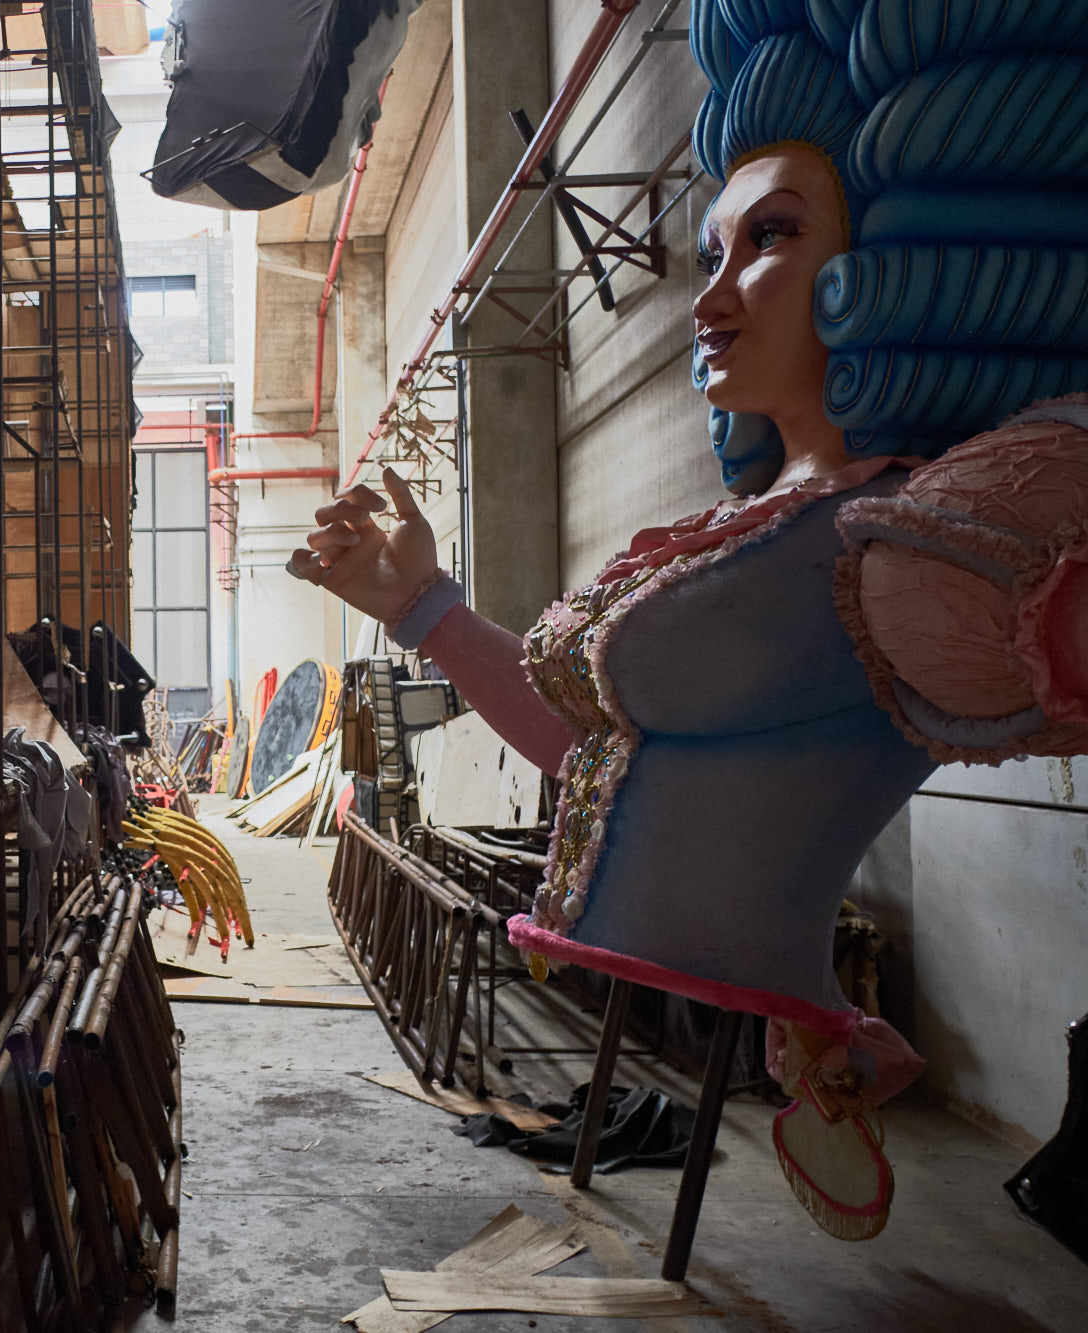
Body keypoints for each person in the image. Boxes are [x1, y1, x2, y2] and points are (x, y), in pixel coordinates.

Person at [291, 0, 1088, 1240]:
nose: (708, 298)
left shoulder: (930, 538)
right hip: (705, 979)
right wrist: (423, 607)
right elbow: (584, 749)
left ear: (883, 262)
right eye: (710, 251)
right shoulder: (759, 518)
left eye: (766, 240)